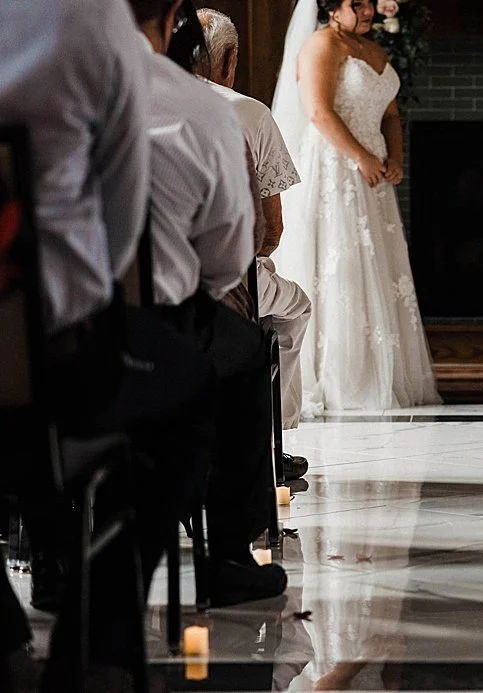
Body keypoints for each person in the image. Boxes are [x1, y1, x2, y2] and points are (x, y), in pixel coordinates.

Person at [0, 0, 218, 687]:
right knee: (188, 389)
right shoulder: (93, 22)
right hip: (58, 357)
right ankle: (100, 628)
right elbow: (122, 226)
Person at [142, 0, 293, 604]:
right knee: (248, 348)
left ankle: (49, 555)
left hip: (33, 348)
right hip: (145, 337)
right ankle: (228, 550)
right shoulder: (199, 110)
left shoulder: (31, 85)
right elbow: (233, 260)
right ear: (166, 20)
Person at [271, 0, 441, 413]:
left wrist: (395, 157)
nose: (368, 11)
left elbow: (391, 115)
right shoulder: (321, 45)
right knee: (342, 263)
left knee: (377, 265)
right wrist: (361, 157)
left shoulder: (375, 50)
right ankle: (340, 377)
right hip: (336, 168)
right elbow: (318, 112)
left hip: (373, 178)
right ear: (331, 7)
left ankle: (382, 371)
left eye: (369, 3)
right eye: (358, 4)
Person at [196, 7, 313, 479]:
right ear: (228, 60)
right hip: (225, 284)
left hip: (132, 289)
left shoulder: (124, 104)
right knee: (294, 308)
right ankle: (267, 439)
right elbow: (269, 235)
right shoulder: (246, 112)